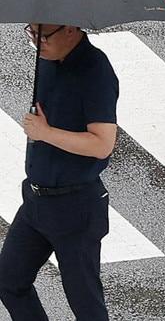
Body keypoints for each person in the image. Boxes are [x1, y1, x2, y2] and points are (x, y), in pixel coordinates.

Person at [0, 24, 118, 321]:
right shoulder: (48, 59)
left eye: (44, 36)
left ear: (69, 29)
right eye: (32, 34)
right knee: (9, 281)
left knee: (87, 307)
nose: (38, 43)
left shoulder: (96, 72)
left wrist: (46, 132)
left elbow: (103, 145)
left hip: (75, 208)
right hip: (36, 201)